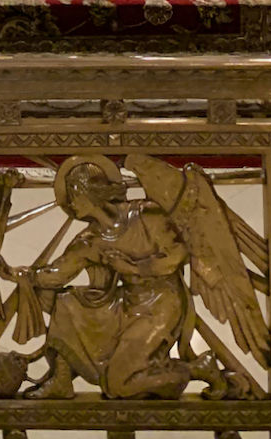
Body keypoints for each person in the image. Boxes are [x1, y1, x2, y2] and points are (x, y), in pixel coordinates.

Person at [23, 157, 190, 400]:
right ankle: (61, 378)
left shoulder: (145, 215)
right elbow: (57, 275)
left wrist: (133, 268)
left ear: (90, 192)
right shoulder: (89, 241)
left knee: (118, 385)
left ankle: (193, 370)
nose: (69, 202)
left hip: (162, 303)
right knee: (67, 303)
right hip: (127, 303)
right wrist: (23, 275)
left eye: (74, 194)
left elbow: (177, 255)